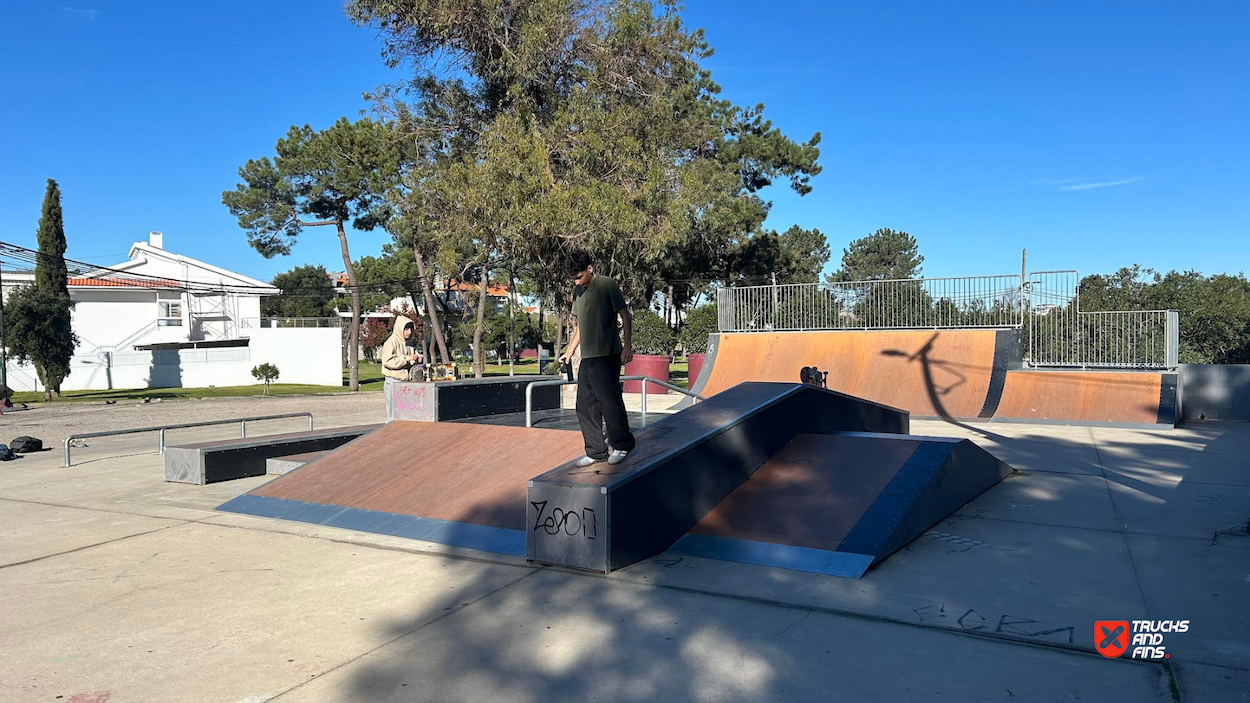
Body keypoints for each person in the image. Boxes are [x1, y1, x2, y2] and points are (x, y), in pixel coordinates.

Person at [558, 253, 636, 466]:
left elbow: (625, 315)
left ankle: (622, 444)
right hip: (588, 357)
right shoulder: (578, 292)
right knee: (584, 406)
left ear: (590, 269)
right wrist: (570, 351)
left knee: (609, 403)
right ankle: (595, 452)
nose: (577, 282)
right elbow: (581, 326)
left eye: (579, 277)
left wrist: (627, 346)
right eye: (574, 279)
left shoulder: (606, 285)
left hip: (608, 355)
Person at [381, 314, 423, 421]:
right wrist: (406, 358)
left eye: (411, 329)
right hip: (393, 382)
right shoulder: (391, 342)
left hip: (405, 382)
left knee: (404, 415)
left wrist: (417, 358)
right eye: (406, 329)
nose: (409, 332)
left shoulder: (408, 343)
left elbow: (411, 359)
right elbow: (387, 361)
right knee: (393, 416)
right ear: (400, 328)